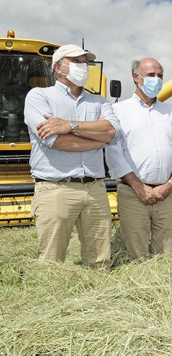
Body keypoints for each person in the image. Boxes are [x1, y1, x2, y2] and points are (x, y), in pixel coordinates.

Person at [23, 44, 120, 269]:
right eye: (76, 61)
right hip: (56, 188)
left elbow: (111, 132)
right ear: (58, 68)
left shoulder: (100, 102)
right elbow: (55, 141)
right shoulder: (39, 96)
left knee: (100, 262)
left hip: (95, 189)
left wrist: (69, 125)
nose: (83, 66)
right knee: (51, 262)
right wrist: (97, 140)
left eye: (85, 62)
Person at [105, 58, 172, 259]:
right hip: (133, 194)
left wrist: (169, 185)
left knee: (166, 256)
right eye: (151, 75)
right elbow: (114, 153)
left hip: (167, 195)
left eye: (160, 75)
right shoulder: (118, 111)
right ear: (136, 77)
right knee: (136, 255)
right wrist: (138, 187)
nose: (157, 79)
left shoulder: (171, 112)